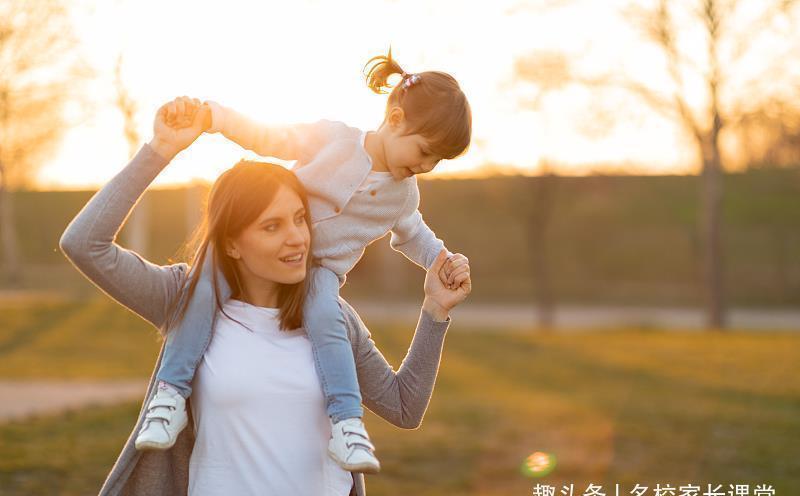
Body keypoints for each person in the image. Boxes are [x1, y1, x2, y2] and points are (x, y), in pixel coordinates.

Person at [58, 97, 471, 495]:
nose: (297, 238)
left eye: (298, 219)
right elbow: (84, 244)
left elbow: (404, 408)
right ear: (233, 243)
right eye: (271, 227)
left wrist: (435, 310)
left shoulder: (332, 317)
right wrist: (160, 150)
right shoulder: (185, 297)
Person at [136, 48, 473, 474]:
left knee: (327, 321)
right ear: (394, 120)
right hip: (268, 257)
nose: (427, 166)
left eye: (438, 161)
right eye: (425, 152)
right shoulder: (334, 139)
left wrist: (440, 259)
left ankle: (347, 423)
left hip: (321, 275)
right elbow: (271, 137)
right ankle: (169, 395)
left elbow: (414, 234)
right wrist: (215, 117)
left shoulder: (403, 195)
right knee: (201, 292)